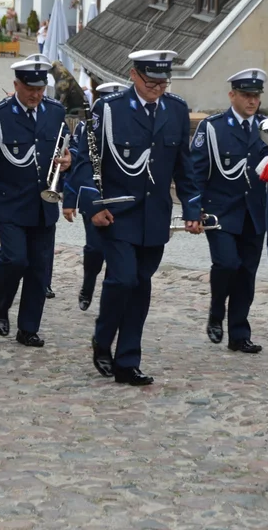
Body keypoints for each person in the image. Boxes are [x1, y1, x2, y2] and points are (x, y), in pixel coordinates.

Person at [68, 50, 201, 385]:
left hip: (154, 215)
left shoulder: (175, 109)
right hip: (117, 211)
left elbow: (184, 166)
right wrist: (92, 205)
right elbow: (85, 160)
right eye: (150, 81)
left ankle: (127, 360)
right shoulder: (108, 109)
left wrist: (192, 208)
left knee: (140, 286)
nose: (157, 87)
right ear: (133, 74)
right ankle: (102, 338)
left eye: (162, 81)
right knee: (123, 279)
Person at [0, 54, 71, 348]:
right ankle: (2, 304)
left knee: (39, 269)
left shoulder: (54, 111)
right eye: (30, 89)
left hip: (44, 204)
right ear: (16, 84)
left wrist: (69, 161)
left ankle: (28, 328)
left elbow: (67, 148)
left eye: (41, 89)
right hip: (10, 202)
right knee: (16, 259)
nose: (36, 95)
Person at [193, 69, 268, 354]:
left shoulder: (267, 127)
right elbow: (197, 169)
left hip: (254, 212)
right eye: (247, 95)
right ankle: (216, 310)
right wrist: (195, 206)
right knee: (227, 264)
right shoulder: (214, 127)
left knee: (247, 274)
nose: (252, 101)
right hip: (221, 210)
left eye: (256, 96)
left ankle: (239, 333)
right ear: (232, 95)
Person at [63, 81, 129, 312]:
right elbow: (79, 167)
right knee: (95, 248)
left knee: (118, 250)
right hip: (93, 198)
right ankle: (88, 284)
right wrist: (70, 201)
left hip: (120, 199)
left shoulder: (129, 127)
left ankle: (111, 295)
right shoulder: (85, 128)